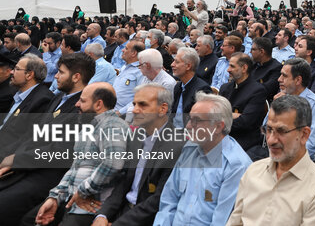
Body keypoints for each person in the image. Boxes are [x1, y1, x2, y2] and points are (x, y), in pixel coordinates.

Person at [0, 52, 95, 224]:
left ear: (76, 77)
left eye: (61, 72)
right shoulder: (59, 97)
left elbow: (59, 151)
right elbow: (34, 133)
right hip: (28, 162)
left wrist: (16, 159)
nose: (55, 76)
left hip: (48, 174)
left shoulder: (83, 109)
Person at [226, 95, 315, 226]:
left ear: (304, 135)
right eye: (268, 130)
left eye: (281, 131)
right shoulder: (253, 171)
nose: (271, 140)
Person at [28, 83, 128, 226]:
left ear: (98, 104)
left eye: (82, 100)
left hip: (91, 206)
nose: (76, 104)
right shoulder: (87, 128)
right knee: (31, 219)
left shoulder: (112, 125)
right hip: (71, 200)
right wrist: (55, 197)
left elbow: (113, 163)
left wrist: (82, 191)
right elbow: (75, 168)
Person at [93, 84, 184, 226]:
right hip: (123, 211)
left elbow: (159, 200)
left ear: (163, 109)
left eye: (142, 105)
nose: (134, 110)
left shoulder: (177, 145)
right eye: (134, 104)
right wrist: (103, 215)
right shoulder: (136, 137)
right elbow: (123, 182)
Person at [154, 93, 251, 226]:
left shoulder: (236, 165)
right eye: (189, 119)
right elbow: (168, 201)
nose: (188, 125)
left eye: (197, 121)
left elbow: (222, 221)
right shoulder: (189, 149)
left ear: (218, 127)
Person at [0, 54, 53, 160]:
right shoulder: (18, 93)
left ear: (29, 75)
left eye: (16, 69)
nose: (11, 72)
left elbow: (25, 140)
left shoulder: (42, 100)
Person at [274, 58, 315, 160]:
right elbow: (265, 129)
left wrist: (285, 153)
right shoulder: (281, 98)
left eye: (284, 76)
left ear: (298, 80)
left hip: (299, 160)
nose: (279, 79)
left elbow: (312, 144)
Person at [219, 53, 267, 151]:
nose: (228, 70)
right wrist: (233, 115)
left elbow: (245, 122)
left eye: (232, 66)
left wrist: (223, 117)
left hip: (243, 140)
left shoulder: (257, 90)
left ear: (244, 68)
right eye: (228, 65)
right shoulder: (225, 88)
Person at [170, 47, 212, 128]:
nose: (172, 64)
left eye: (177, 62)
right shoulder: (178, 86)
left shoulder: (202, 89)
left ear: (188, 66)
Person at [112, 40, 144, 114]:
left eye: (126, 48)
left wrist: (120, 112)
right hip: (112, 109)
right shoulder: (124, 67)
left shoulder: (140, 72)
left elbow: (139, 98)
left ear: (133, 53)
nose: (123, 50)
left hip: (124, 114)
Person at [250, 37, 283, 102]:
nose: (250, 52)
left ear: (262, 51)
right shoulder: (253, 64)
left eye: (253, 49)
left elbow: (266, 89)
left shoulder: (276, 68)